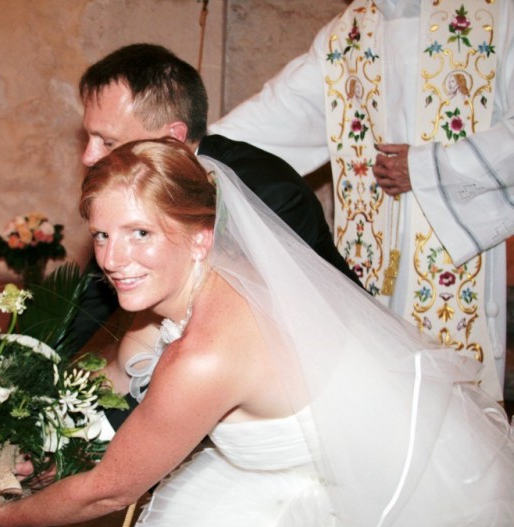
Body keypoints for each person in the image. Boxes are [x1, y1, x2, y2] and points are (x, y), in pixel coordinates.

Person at [0, 138, 513, 527]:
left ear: (201, 237)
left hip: (393, 490)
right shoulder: (191, 285)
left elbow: (110, 489)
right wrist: (27, 425)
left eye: (140, 233)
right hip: (298, 466)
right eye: (102, 235)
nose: (114, 259)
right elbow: (116, 376)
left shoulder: (207, 353)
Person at [209, 0, 514, 401]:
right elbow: (279, 113)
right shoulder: (347, 33)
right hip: (370, 254)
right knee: (375, 390)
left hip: (451, 251)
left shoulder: (497, 15)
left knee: (450, 403)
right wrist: (189, 151)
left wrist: (429, 167)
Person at [69, 44, 359, 421]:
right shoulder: (137, 194)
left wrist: (99, 435)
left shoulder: (270, 195)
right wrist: (25, 365)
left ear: (172, 138)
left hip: (320, 397)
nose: (89, 157)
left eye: (107, 142)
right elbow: (91, 299)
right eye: (89, 138)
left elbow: (230, 347)